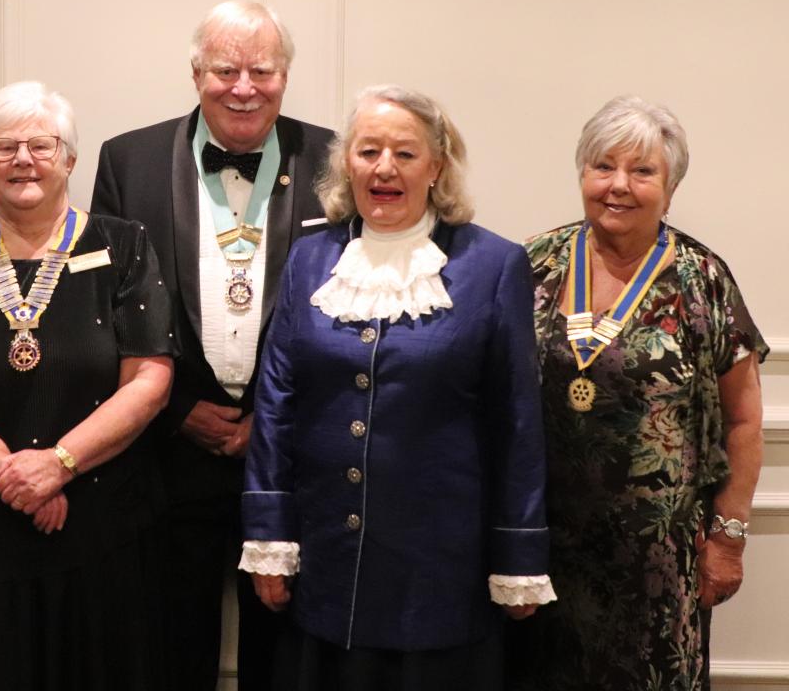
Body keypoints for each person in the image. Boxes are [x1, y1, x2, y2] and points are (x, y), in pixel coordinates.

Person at [241, 85, 554, 691]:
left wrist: (519, 556)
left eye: (405, 154)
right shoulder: (310, 258)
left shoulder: (493, 264)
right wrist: (268, 536)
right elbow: (275, 404)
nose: (384, 168)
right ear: (347, 163)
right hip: (326, 562)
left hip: (440, 573)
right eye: (369, 151)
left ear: (437, 167)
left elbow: (517, 421)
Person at [0, 80, 176, 689]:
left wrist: (61, 463)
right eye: (4, 147)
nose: (22, 159)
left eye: (41, 145)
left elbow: (150, 380)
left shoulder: (123, 246)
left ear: (70, 158)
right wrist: (16, 472)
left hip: (101, 529)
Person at [92, 0, 334, 690]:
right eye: (226, 69)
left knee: (287, 655)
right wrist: (173, 408)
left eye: (263, 70)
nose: (244, 87)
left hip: (290, 454)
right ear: (196, 73)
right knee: (168, 652)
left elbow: (349, 303)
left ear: (286, 75)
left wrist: (273, 416)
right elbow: (106, 311)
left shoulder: (333, 157)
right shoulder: (127, 159)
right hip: (167, 453)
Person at [511, 96, 766, 690]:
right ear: (582, 174)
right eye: (602, 166)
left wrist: (727, 541)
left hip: (659, 563)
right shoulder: (532, 264)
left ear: (670, 186)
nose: (618, 186)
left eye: (642, 171)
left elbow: (745, 421)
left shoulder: (703, 280)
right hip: (541, 548)